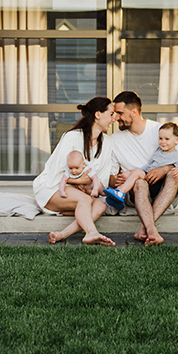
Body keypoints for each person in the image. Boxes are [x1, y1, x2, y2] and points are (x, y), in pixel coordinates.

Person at [107, 91, 178, 246]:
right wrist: (118, 179)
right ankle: (152, 231)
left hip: (164, 190)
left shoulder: (161, 131)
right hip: (138, 191)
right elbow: (111, 179)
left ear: (134, 112)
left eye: (120, 113)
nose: (116, 118)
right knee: (140, 182)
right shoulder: (114, 140)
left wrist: (165, 169)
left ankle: (144, 228)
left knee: (176, 176)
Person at [33, 97, 116, 246]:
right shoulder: (73, 137)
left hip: (82, 194)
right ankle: (92, 233)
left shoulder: (107, 143)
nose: (114, 119)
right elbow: (55, 174)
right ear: (98, 115)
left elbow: (101, 184)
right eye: (111, 114)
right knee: (85, 200)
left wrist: (92, 185)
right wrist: (81, 181)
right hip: (52, 188)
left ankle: (62, 234)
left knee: (100, 205)